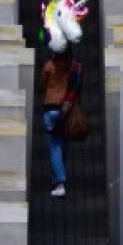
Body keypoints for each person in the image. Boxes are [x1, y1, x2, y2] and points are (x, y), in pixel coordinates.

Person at [40, 48, 82, 197]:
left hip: (50, 108)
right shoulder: (72, 68)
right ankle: (56, 181)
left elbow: (41, 86)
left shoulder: (49, 66)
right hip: (65, 111)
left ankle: (60, 182)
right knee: (63, 147)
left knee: (54, 147)